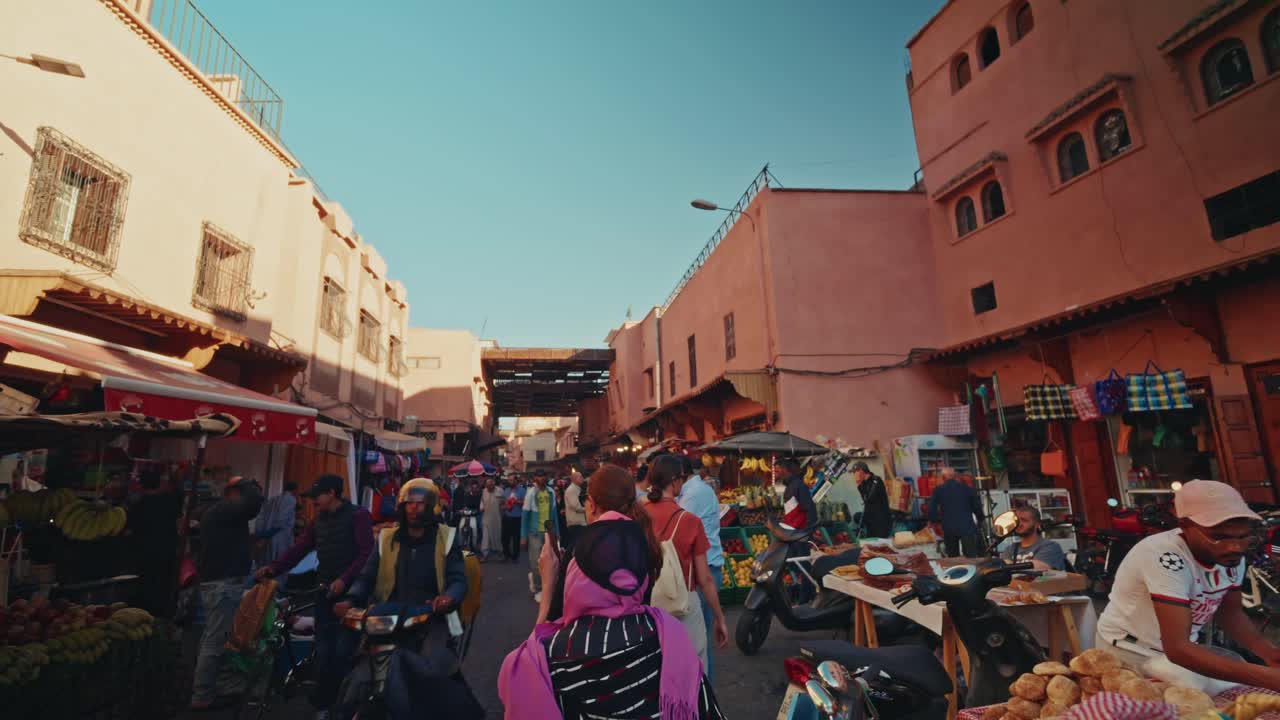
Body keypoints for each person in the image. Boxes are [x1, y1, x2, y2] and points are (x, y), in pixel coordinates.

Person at [502, 463, 727, 720]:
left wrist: (548, 588)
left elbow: (524, 676)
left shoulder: (556, 656)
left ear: (575, 575)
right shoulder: (669, 639)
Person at [1097, 480, 1280, 692]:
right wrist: (1266, 678)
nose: (1235, 547)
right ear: (1185, 526)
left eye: (1242, 536)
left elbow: (1230, 612)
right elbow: (1178, 649)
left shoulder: (1229, 555)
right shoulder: (1164, 556)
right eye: (1218, 536)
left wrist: (1268, 653)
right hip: (1130, 650)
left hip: (1184, 654)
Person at [338, 478, 481, 720]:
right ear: (402, 507)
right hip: (388, 617)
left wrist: (447, 598)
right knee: (350, 664)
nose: (414, 508)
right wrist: (351, 599)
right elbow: (367, 576)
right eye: (409, 503)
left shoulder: (446, 537)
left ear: (432, 506)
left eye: (420, 503)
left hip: (430, 616)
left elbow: (458, 579)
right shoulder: (386, 538)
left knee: (435, 669)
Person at [256, 474, 373, 714]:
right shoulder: (318, 520)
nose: (312, 501)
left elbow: (366, 554)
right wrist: (274, 568)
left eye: (317, 496)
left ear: (332, 493)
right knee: (323, 648)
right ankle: (325, 703)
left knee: (343, 650)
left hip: (352, 596)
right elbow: (300, 548)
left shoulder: (359, 516)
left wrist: (345, 580)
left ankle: (344, 702)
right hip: (324, 592)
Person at [643, 454, 730, 669]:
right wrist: (719, 617)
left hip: (648, 605)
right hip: (683, 605)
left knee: (660, 669)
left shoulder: (639, 515)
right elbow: (705, 578)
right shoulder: (689, 521)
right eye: (682, 478)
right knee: (694, 669)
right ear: (674, 481)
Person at [190, 475, 263, 711]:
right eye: (240, 493)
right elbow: (254, 503)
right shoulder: (224, 510)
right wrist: (245, 483)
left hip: (215, 582)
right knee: (215, 640)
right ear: (233, 494)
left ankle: (206, 687)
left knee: (211, 637)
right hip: (223, 584)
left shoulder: (217, 512)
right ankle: (202, 695)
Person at [679, 456, 725, 680]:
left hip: (704, 570)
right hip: (706, 567)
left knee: (699, 643)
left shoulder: (693, 494)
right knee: (699, 641)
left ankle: (705, 692)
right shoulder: (696, 491)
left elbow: (677, 527)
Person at [129, 470, 182, 618]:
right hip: (167, 550)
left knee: (146, 582)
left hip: (144, 552)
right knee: (164, 584)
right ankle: (163, 614)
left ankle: (144, 612)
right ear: (159, 483)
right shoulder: (170, 501)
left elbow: (132, 529)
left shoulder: (138, 504)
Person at [521, 469, 558, 602]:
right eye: (538, 476)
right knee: (536, 562)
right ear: (535, 478)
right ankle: (538, 589)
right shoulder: (530, 493)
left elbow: (554, 515)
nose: (541, 478)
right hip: (535, 532)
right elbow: (525, 516)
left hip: (548, 532)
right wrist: (523, 536)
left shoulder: (551, 492)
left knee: (549, 562)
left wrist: (556, 533)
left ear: (546, 477)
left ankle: (544, 586)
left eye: (543, 476)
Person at [929, 467, 984, 557]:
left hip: (949, 528)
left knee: (953, 557)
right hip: (966, 527)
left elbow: (932, 509)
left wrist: (934, 521)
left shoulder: (938, 490)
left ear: (943, 477)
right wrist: (981, 519)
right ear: (955, 476)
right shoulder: (967, 489)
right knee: (971, 556)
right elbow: (977, 507)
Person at [1000, 506, 1066, 570]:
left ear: (1037, 524)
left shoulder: (1050, 546)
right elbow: (1001, 569)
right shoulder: (1010, 549)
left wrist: (1010, 566)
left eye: (1024, 520)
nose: (1019, 524)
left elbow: (1038, 570)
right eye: (1017, 521)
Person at [253, 481, 299, 566]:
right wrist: (268, 534)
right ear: (295, 490)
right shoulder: (291, 499)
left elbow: (261, 518)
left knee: (266, 565)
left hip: (269, 537)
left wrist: (263, 535)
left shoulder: (273, 499)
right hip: (280, 537)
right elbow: (281, 520)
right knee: (279, 565)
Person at [853, 461, 891, 539]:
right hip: (871, 520)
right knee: (856, 517)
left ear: (861, 471)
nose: (854, 475)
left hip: (880, 520)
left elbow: (870, 498)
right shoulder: (864, 483)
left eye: (855, 472)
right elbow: (865, 499)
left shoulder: (876, 480)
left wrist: (859, 485)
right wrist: (859, 486)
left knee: (879, 543)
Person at [777, 456, 818, 530]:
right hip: (794, 529)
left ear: (784, 469)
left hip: (799, 530)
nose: (777, 474)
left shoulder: (798, 485)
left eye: (777, 471)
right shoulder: (790, 486)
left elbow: (808, 508)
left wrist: (807, 530)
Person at [501, 474, 526, 563]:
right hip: (507, 517)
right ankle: (506, 555)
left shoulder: (522, 490)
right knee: (505, 538)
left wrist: (516, 501)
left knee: (516, 538)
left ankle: (515, 557)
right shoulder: (506, 490)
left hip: (517, 517)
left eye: (511, 480)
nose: (510, 482)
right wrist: (505, 506)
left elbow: (525, 503)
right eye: (509, 480)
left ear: (516, 481)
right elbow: (502, 503)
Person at [456, 478, 483, 553]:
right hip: (469, 513)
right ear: (471, 487)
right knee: (461, 526)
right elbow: (465, 504)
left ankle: (479, 543)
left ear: (478, 488)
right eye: (473, 487)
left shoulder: (480, 495)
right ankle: (461, 542)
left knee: (480, 527)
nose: (474, 489)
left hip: (477, 513)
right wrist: (463, 509)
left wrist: (480, 509)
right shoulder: (467, 495)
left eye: (476, 487)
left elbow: (481, 505)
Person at [480, 476, 504, 562]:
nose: (489, 487)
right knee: (485, 537)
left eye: (491, 486)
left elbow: (504, 502)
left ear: (494, 485)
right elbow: (482, 501)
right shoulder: (484, 491)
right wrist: (481, 507)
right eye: (487, 486)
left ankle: (499, 553)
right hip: (486, 518)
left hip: (496, 519)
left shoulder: (500, 491)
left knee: (497, 536)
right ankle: (484, 554)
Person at [562, 468, 587, 549]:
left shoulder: (577, 489)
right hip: (576, 523)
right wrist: (587, 509)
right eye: (580, 477)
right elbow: (576, 506)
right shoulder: (572, 490)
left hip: (579, 522)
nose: (583, 479)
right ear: (575, 479)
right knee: (577, 546)